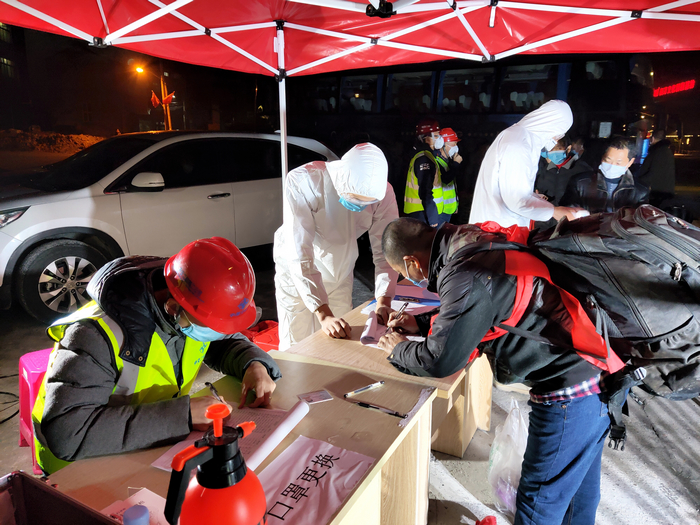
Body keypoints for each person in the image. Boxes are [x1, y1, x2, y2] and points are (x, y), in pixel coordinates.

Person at [378, 217, 623, 525]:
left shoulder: (463, 272)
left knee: (538, 501)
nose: (410, 278)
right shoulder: (470, 238)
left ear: (411, 262)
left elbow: (440, 360)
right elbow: (478, 306)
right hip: (601, 368)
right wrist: (422, 322)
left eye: (404, 274)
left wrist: (397, 349)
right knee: (576, 491)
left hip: (571, 388)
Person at [32, 237, 281, 475]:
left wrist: (254, 364)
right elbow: (68, 434)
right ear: (173, 307)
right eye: (211, 325)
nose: (217, 332)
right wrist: (182, 415)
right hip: (77, 466)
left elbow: (222, 339)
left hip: (144, 440)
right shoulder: (94, 335)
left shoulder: (188, 306)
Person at [273, 142, 398, 351]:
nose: (359, 206)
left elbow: (386, 250)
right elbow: (299, 252)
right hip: (295, 273)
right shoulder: (305, 181)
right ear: (341, 179)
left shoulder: (383, 194)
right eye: (355, 199)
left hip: (340, 268)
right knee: (296, 346)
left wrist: (384, 299)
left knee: (340, 342)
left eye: (364, 202)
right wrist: (323, 314)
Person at [469, 100, 582, 228]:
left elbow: (509, 188)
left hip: (501, 228)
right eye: (559, 132)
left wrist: (534, 197)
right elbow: (517, 200)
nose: (557, 138)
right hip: (498, 231)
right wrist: (554, 212)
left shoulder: (520, 138)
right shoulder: (519, 144)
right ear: (551, 125)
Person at [561, 136, 649, 213]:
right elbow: (567, 210)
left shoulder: (640, 190)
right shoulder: (580, 182)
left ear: (630, 162)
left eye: (618, 163)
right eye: (607, 160)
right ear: (602, 157)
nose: (611, 166)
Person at [404, 120, 445, 227]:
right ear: (425, 138)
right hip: (422, 213)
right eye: (436, 136)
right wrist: (432, 219)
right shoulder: (424, 158)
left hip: (422, 211)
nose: (439, 138)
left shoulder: (426, 155)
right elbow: (425, 190)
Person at [534, 135, 592, 207]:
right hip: (545, 214)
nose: (553, 152)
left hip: (570, 215)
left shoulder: (582, 170)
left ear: (568, 149)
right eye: (550, 149)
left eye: (558, 148)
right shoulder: (541, 168)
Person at [636, 129, 676, 206]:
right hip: (663, 193)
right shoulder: (665, 151)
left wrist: (637, 182)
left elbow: (653, 174)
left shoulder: (657, 152)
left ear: (653, 138)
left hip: (657, 194)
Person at [433, 127, 462, 225]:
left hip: (448, 210)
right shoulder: (436, 162)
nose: (456, 147)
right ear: (442, 144)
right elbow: (445, 179)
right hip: (439, 211)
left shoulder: (447, 162)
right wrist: (456, 164)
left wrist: (455, 204)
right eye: (453, 143)